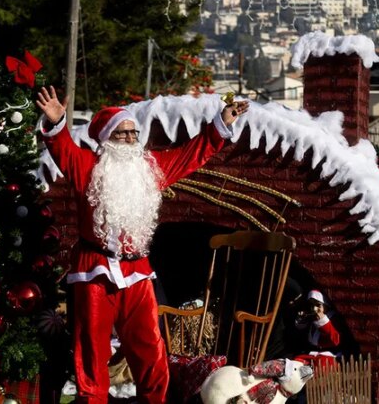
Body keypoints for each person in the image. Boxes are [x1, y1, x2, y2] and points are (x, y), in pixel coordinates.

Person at [36, 85, 247, 403]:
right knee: (91, 350)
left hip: (136, 272)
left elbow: (191, 154)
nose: (131, 140)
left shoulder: (149, 169)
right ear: (107, 139)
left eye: (134, 133)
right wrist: (56, 124)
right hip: (95, 272)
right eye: (122, 134)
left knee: (150, 348)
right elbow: (62, 148)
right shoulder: (87, 168)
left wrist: (222, 122)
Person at [292, 290, 341, 369]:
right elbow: (301, 332)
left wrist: (322, 319)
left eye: (318, 305)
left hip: (328, 355)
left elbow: (335, 339)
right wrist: (302, 319)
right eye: (312, 305)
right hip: (311, 353)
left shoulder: (333, 317)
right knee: (295, 364)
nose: (314, 308)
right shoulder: (312, 317)